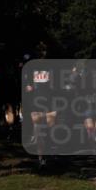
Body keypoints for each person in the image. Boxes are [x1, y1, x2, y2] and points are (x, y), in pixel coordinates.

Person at [23, 42, 56, 170]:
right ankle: (41, 158)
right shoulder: (31, 67)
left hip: (49, 102)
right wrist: (28, 87)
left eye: (44, 51)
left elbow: (55, 85)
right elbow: (26, 83)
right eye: (40, 51)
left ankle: (47, 155)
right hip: (35, 102)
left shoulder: (51, 67)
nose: (42, 53)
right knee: (39, 130)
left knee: (48, 130)